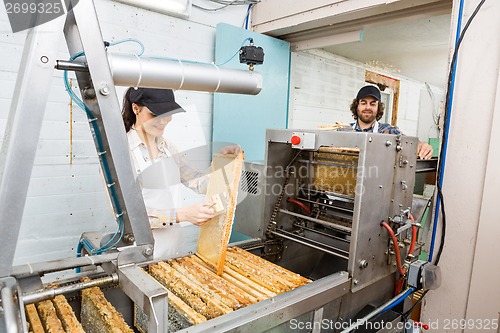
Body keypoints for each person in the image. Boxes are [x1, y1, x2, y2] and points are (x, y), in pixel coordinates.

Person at [121, 87, 238, 257]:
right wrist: (183, 215)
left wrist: (221, 162)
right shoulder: (122, 152)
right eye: (155, 114)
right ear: (136, 108)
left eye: (168, 113)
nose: (163, 121)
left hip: (173, 248)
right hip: (140, 251)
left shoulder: (167, 147)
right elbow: (130, 217)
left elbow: (198, 183)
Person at [350, 85, 434, 159]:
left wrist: (422, 146)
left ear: (378, 108)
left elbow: (410, 144)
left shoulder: (388, 131)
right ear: (357, 105)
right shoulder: (345, 130)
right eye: (363, 103)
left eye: (373, 104)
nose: (368, 107)